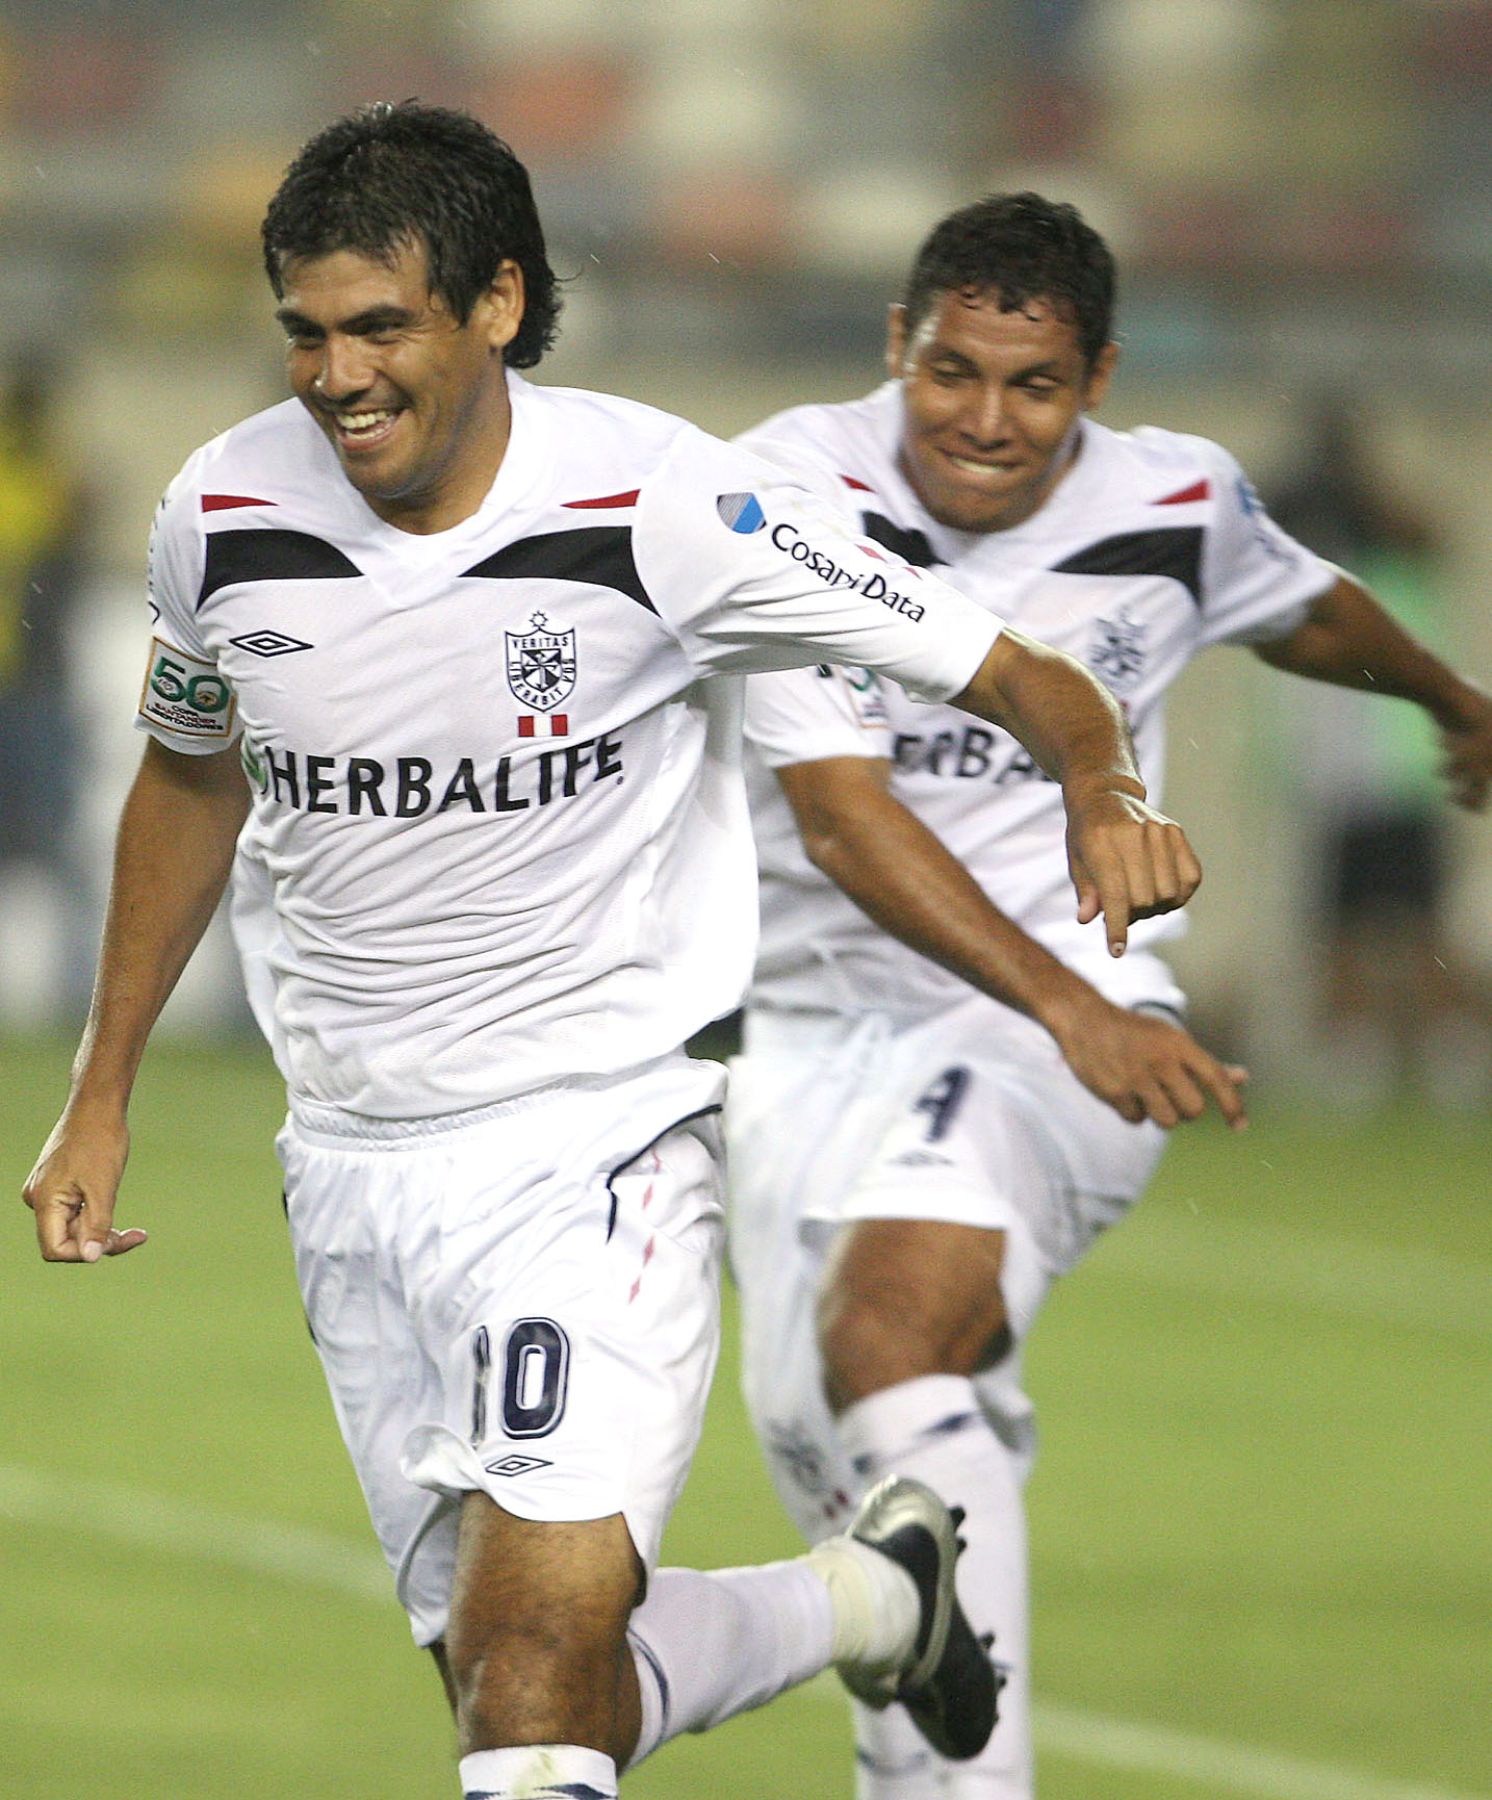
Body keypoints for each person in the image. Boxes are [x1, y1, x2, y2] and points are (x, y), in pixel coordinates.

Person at [19, 113, 1205, 1800]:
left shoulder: (671, 505)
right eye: (307, 330)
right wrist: (102, 1090)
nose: (336, 379)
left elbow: (1026, 675)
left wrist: (1102, 791)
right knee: (533, 1693)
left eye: (380, 329)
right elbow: (189, 781)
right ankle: (878, 1597)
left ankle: (864, 1601)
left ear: (499, 303)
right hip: (351, 1166)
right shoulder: (215, 518)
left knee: (533, 1684)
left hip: (598, 1143)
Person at [723, 193, 1492, 1799]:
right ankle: (943, 1590)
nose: (987, 423)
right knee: (850, 1446)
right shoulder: (792, 493)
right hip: (796, 1037)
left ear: (1100, 378)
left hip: (1067, 1016)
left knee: (885, 1337)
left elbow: (1305, 604)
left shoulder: (1179, 501)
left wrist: (1447, 698)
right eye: (952, 373)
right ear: (897, 345)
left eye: (1036, 385)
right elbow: (843, 820)